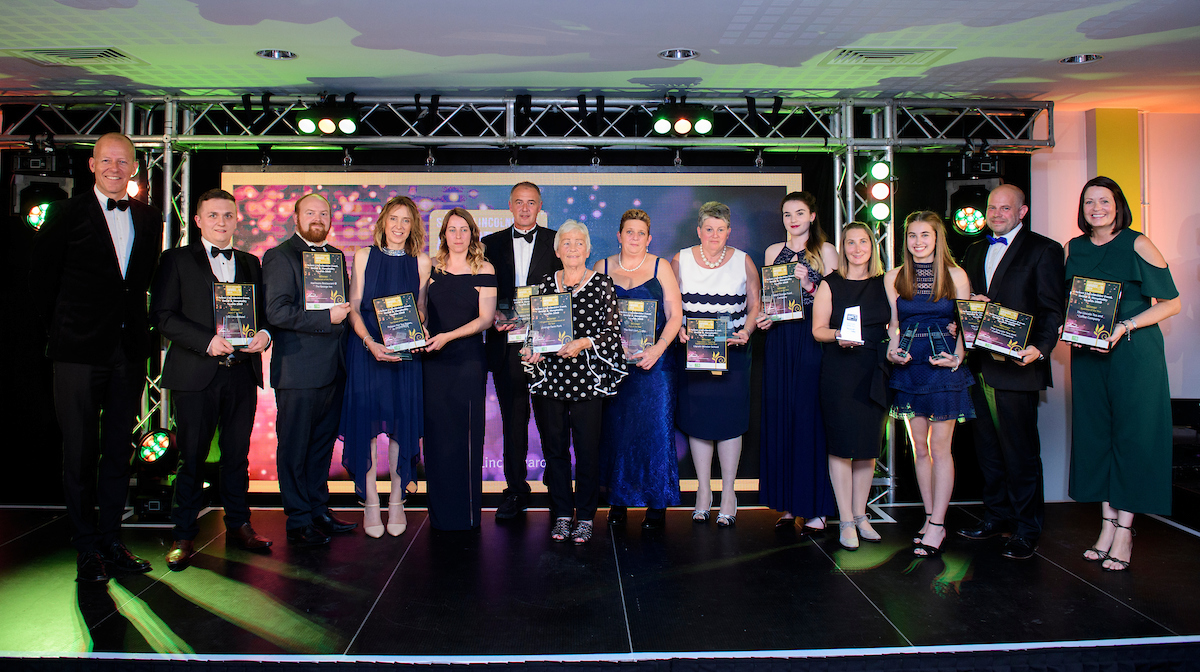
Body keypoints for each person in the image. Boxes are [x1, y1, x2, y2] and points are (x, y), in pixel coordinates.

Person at [31, 132, 162, 583]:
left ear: (133, 168)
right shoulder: (65, 215)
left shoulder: (149, 217)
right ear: (92, 165)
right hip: (77, 352)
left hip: (126, 354)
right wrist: (63, 336)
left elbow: (142, 283)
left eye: (122, 161)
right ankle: (86, 547)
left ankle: (111, 539)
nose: (114, 167)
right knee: (80, 451)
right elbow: (42, 285)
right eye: (106, 160)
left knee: (116, 455)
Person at [150, 189, 274, 570]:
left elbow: (265, 315)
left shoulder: (252, 263)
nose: (222, 221)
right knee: (192, 457)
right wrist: (206, 342)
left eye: (228, 215)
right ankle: (184, 533)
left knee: (237, 456)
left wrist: (264, 336)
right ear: (199, 220)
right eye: (214, 215)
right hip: (196, 375)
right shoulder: (175, 260)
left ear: (237, 220)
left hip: (240, 374)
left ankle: (239, 525)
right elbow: (163, 315)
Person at [1066, 176, 1179, 572]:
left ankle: (1125, 531)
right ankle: (1106, 525)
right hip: (1089, 356)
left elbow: (1171, 303)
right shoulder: (1074, 248)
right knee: (1097, 437)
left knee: (1132, 438)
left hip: (1134, 355)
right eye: (1089, 202)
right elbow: (1071, 303)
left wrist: (1123, 326)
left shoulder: (1138, 243)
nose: (1096, 208)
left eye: (1104, 201)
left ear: (1118, 205)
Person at [957, 184, 1065, 561]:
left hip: (1019, 366)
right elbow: (964, 304)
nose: (997, 213)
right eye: (992, 207)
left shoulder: (1044, 249)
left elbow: (1053, 309)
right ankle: (995, 516)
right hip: (980, 366)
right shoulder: (973, 250)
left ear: (1023, 211)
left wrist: (1041, 348)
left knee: (1020, 452)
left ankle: (1026, 528)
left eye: (1006, 208)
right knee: (987, 450)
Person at [523, 221, 627, 544]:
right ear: (557, 250)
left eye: (578, 242)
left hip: (587, 380)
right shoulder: (543, 284)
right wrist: (532, 349)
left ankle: (584, 516)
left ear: (588, 248)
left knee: (586, 450)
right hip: (550, 380)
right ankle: (562, 514)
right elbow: (534, 330)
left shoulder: (601, 284)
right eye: (565, 243)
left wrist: (582, 343)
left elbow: (612, 334)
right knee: (554, 450)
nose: (571, 248)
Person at [263, 193, 357, 546]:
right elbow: (276, 312)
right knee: (294, 448)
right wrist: (325, 318)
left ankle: (319, 510)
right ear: (296, 217)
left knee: (320, 448)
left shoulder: (335, 257)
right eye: (311, 212)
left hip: (334, 369)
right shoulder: (279, 256)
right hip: (298, 372)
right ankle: (298, 519)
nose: (318, 218)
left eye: (324, 213)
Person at [885, 211, 974, 557]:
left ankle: (938, 524)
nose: (918, 242)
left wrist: (958, 357)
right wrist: (893, 349)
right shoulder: (894, 277)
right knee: (919, 448)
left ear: (937, 238)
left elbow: (966, 324)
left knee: (940, 448)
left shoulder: (955, 275)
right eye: (912, 236)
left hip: (943, 368)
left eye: (925, 235)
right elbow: (893, 325)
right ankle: (928, 516)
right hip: (909, 366)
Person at [340, 196, 430, 538]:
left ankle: (396, 500)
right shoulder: (364, 255)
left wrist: (414, 323)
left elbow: (421, 309)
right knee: (365, 428)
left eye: (406, 221)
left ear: (413, 227)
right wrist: (371, 342)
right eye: (394, 219)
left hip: (404, 354)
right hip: (367, 351)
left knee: (400, 427)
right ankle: (372, 502)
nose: (399, 226)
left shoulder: (420, 262)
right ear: (383, 221)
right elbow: (354, 308)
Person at [672, 202, 761, 528]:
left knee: (729, 423)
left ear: (729, 232)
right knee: (698, 422)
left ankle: (728, 494)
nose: (714, 235)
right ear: (699, 230)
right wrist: (677, 327)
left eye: (720, 229)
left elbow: (755, 304)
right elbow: (672, 303)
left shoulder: (743, 260)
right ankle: (703, 493)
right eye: (708, 229)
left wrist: (747, 330)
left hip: (733, 352)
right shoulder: (680, 259)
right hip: (694, 351)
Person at [754, 191, 839, 533]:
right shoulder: (773, 252)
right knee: (782, 417)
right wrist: (764, 316)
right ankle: (789, 504)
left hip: (810, 339)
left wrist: (809, 282)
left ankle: (816, 506)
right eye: (788, 214)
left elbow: (836, 299)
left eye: (800, 212)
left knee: (809, 420)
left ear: (813, 216)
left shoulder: (826, 252)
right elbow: (770, 299)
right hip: (779, 341)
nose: (793, 219)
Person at [594, 209, 684, 529]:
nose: (634, 238)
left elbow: (675, 315)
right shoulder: (602, 267)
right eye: (629, 232)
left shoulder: (661, 267)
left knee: (654, 433)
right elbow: (592, 317)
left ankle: (656, 503)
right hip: (615, 366)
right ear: (619, 235)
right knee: (616, 432)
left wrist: (659, 348)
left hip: (655, 366)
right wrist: (607, 341)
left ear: (649, 238)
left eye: (640, 233)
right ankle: (618, 500)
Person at [482, 182, 562, 519]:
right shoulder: (490, 244)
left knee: (552, 422)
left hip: (546, 347)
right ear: (510, 205)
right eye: (519, 202)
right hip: (506, 345)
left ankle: (559, 492)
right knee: (514, 421)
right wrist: (491, 315)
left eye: (531, 203)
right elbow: (481, 292)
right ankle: (515, 492)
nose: (525, 208)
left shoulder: (557, 241)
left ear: (540, 205)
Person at [811, 223, 891, 550]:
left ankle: (861, 515)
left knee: (868, 447)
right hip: (840, 371)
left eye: (863, 242)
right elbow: (817, 330)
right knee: (843, 447)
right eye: (850, 243)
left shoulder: (886, 283)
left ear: (872, 246)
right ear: (842, 248)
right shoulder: (831, 284)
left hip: (875, 369)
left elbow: (897, 322)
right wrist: (838, 336)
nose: (857, 248)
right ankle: (845, 518)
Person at [422, 209, 497, 531]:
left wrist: (447, 337)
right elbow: (422, 309)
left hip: (467, 361)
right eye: (452, 230)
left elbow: (486, 319)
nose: (457, 235)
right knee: (438, 439)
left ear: (472, 234)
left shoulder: (485, 268)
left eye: (463, 229)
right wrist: (421, 329)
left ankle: (467, 516)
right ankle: (439, 516)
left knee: (467, 439)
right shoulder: (431, 268)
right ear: (444, 234)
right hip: (433, 363)